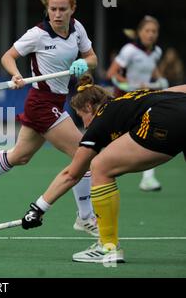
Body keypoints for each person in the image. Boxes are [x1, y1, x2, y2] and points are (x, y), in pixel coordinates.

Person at [0, 0, 99, 236]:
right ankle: (85, 217)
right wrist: (15, 74)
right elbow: (7, 56)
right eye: (52, 9)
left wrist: (83, 64)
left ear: (72, 9)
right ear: (47, 9)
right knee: (83, 154)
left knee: (20, 155)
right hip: (41, 103)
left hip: (56, 102)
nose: (57, 14)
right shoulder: (37, 34)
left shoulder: (78, 29)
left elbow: (93, 58)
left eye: (62, 9)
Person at [20, 74, 186, 263]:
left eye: (81, 116)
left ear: (89, 106)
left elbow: (72, 174)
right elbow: (176, 91)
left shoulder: (102, 119)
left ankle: (107, 248)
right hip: (176, 112)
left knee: (100, 166)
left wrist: (38, 208)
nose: (84, 124)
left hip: (162, 120)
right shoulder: (132, 99)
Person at [107, 15, 165, 191]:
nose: (151, 35)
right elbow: (111, 74)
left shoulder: (157, 52)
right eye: (147, 31)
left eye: (154, 31)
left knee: (151, 133)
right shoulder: (129, 50)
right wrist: (129, 84)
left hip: (146, 99)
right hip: (125, 99)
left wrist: (160, 80)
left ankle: (148, 179)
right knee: (116, 138)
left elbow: (153, 70)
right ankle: (101, 168)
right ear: (140, 32)